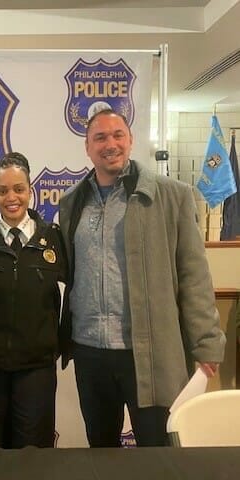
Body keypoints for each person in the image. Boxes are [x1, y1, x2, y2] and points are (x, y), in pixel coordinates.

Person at [59, 109, 225, 448]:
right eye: (100, 137)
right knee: (100, 451)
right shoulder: (71, 203)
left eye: (118, 135)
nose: (110, 144)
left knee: (156, 451)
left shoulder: (171, 195)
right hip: (90, 352)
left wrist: (206, 343)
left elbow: (194, 276)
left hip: (148, 352)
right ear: (87, 147)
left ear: (131, 140)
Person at [0, 152, 67, 449]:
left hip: (36, 368)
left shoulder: (54, 240)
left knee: (33, 455)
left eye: (19, 189)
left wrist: (64, 342)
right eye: (2, 190)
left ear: (30, 190)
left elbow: (77, 292)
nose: (12, 197)